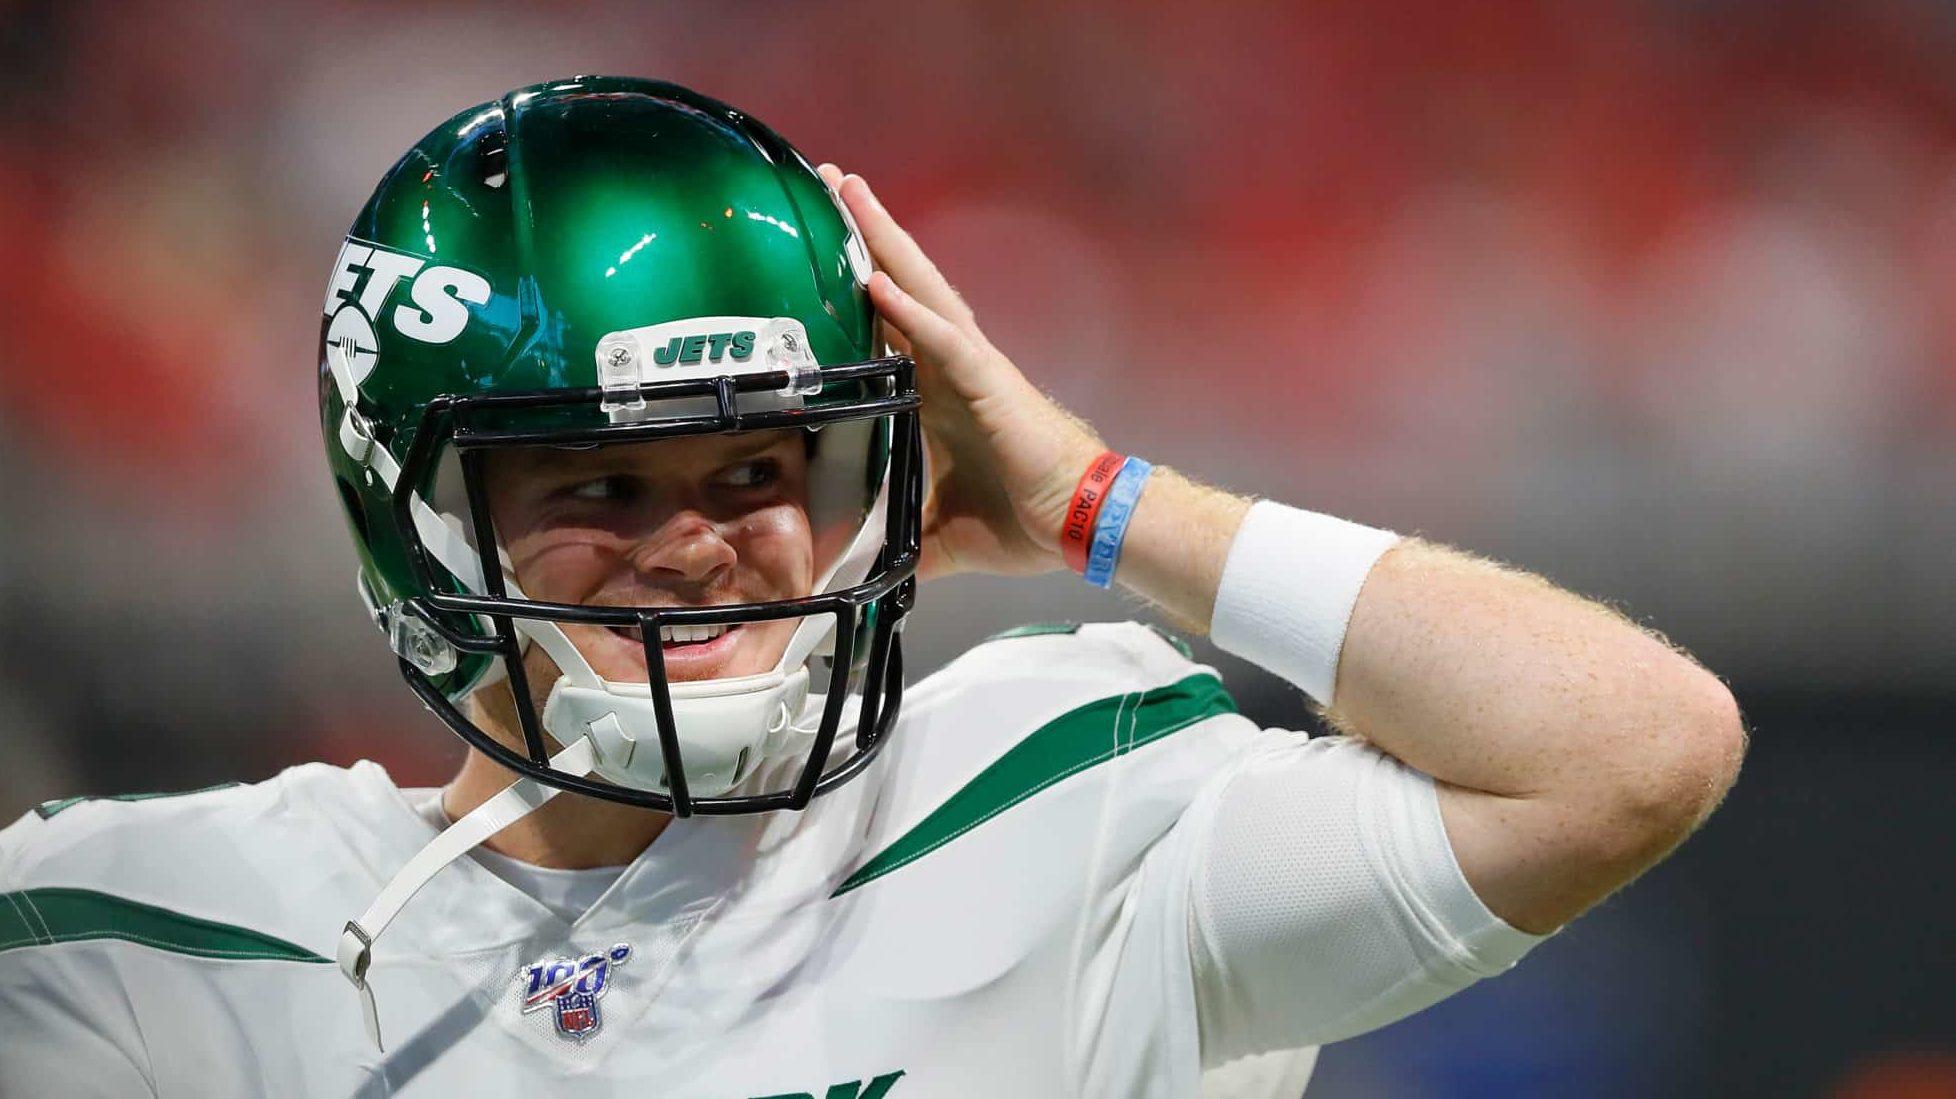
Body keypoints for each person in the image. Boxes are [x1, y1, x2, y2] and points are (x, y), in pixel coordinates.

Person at [0, 77, 1744, 1098]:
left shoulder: (1063, 806)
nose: (696, 543)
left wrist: (1091, 498)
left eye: (759, 471)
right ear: (420, 516)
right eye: (603, 486)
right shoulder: (150, 935)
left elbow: (1632, 751)